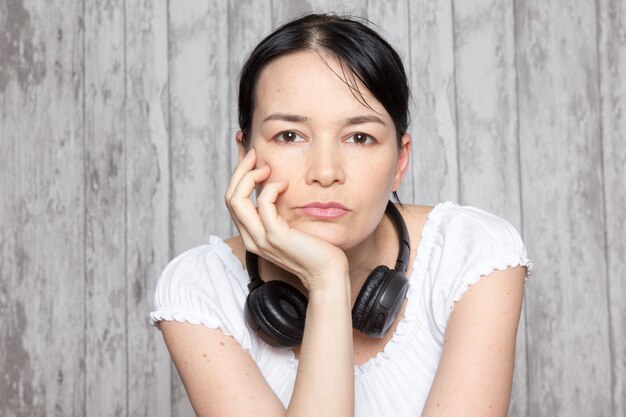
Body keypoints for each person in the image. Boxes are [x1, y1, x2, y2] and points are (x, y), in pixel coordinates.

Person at [150, 12, 532, 417]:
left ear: (401, 160)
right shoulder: (199, 290)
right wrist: (328, 282)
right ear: (246, 154)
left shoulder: (472, 254)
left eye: (359, 137)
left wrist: (324, 278)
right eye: (290, 135)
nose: (326, 172)